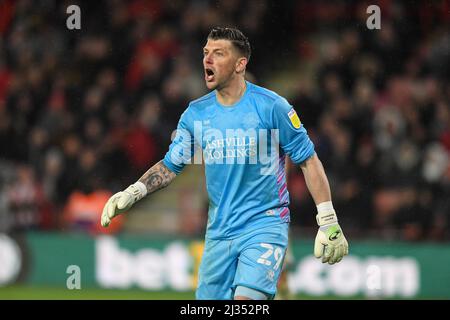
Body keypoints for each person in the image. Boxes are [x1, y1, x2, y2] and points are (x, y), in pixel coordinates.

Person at [101, 27, 349, 300]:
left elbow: (308, 160)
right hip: (218, 233)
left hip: (263, 226)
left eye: (218, 54)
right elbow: (171, 166)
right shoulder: (196, 114)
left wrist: (327, 220)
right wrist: (134, 191)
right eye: (206, 53)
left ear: (240, 64)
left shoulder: (272, 107)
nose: (207, 59)